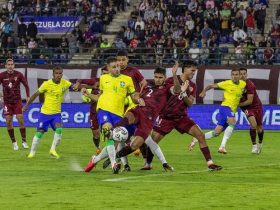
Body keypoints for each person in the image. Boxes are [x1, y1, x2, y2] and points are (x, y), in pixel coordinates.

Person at [145, 61, 222, 171]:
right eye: (192, 70)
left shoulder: (193, 86)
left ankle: (210, 163)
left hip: (181, 118)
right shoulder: (170, 80)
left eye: (194, 71)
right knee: (153, 141)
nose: (194, 73)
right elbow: (173, 91)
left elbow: (190, 103)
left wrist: (184, 94)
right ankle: (148, 164)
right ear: (185, 69)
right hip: (166, 117)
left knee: (200, 135)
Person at [106, 64, 183, 170]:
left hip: (149, 119)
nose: (158, 80)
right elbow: (135, 96)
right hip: (139, 110)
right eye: (156, 77)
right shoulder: (148, 86)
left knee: (135, 145)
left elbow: (178, 90)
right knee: (129, 115)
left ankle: (116, 156)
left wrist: (174, 75)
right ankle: (112, 130)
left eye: (160, 77)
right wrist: (138, 99)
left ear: (165, 78)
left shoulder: (167, 88)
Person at [83, 57, 142, 174]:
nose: (117, 69)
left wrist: (138, 99)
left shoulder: (127, 79)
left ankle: (95, 160)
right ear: (108, 69)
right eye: (114, 67)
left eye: (118, 66)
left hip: (118, 114)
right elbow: (101, 97)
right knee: (108, 131)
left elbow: (133, 96)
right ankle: (114, 164)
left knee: (114, 140)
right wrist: (89, 95)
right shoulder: (103, 78)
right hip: (103, 110)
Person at [189, 68, 246, 154]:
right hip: (225, 107)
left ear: (239, 76)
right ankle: (222, 147)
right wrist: (204, 91)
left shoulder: (243, 84)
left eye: (236, 74)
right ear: (231, 76)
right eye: (233, 75)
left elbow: (242, 92)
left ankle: (196, 138)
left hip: (233, 110)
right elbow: (211, 86)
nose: (234, 76)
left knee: (216, 132)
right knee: (233, 122)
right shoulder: (227, 83)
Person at [23, 66, 72, 159]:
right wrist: (26, 105)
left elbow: (74, 86)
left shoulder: (65, 83)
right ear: (53, 74)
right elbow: (35, 95)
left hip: (56, 114)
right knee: (40, 132)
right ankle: (32, 153)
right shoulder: (46, 84)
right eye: (56, 73)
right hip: (45, 113)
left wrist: (82, 87)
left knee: (59, 129)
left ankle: (52, 150)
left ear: (62, 74)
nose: (58, 75)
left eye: (60, 73)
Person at [73, 66, 109, 154]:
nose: (103, 75)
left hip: (106, 111)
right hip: (94, 112)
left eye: (106, 74)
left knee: (108, 132)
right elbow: (81, 80)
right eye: (102, 73)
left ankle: (111, 150)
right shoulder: (95, 81)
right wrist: (78, 84)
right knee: (96, 134)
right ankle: (98, 147)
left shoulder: (111, 83)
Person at [0, 58, 30, 150]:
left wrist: (28, 96)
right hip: (7, 102)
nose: (10, 66)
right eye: (8, 64)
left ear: (14, 65)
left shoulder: (19, 74)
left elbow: (26, 85)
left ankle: (24, 141)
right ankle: (14, 142)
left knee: (20, 119)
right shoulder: (1, 75)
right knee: (8, 121)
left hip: (17, 101)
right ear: (5, 66)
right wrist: (0, 96)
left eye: (11, 64)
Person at [239, 67, 264, 154]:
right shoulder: (235, 85)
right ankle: (254, 145)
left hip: (256, 106)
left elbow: (249, 101)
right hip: (247, 108)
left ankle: (260, 143)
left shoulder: (250, 85)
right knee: (253, 125)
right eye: (240, 74)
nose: (242, 76)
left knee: (259, 127)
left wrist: (237, 105)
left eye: (244, 74)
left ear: (247, 75)